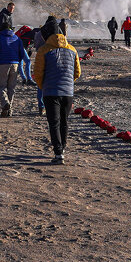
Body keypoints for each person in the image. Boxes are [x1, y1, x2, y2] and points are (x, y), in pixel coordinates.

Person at [32, 26, 81, 165]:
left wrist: (43, 87)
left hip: (51, 92)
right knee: (64, 121)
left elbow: (38, 73)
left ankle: (58, 153)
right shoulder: (72, 49)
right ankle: (62, 148)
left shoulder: (44, 50)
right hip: (67, 92)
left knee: (54, 123)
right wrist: (69, 84)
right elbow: (77, 72)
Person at [0, 18, 30, 117]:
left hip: (3, 63)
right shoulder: (16, 38)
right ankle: (9, 110)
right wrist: (18, 61)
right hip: (15, 64)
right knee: (11, 88)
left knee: (0, 87)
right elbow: (21, 53)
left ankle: (5, 103)